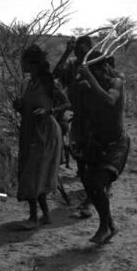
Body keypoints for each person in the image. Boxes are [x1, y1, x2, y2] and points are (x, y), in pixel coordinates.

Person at [76, 51, 130, 244]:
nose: (94, 77)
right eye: (92, 73)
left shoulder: (116, 83)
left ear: (104, 68)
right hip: (96, 142)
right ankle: (110, 225)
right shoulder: (88, 86)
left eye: (96, 72)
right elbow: (82, 113)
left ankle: (103, 227)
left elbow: (109, 101)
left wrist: (90, 78)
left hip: (116, 144)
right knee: (89, 183)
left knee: (99, 184)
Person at [13, 44, 70, 230]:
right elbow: (26, 108)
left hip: (45, 133)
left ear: (33, 64)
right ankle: (44, 215)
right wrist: (19, 107)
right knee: (33, 172)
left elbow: (67, 104)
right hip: (29, 131)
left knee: (34, 173)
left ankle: (33, 217)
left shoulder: (49, 84)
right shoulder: (28, 84)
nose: (22, 64)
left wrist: (49, 111)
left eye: (25, 61)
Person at [53, 36, 94, 218]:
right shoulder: (72, 64)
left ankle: (91, 199)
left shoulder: (95, 64)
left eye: (81, 50)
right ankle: (90, 193)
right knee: (80, 155)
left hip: (94, 118)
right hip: (78, 117)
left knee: (93, 157)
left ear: (89, 49)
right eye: (76, 50)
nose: (78, 53)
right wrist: (66, 52)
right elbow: (55, 75)